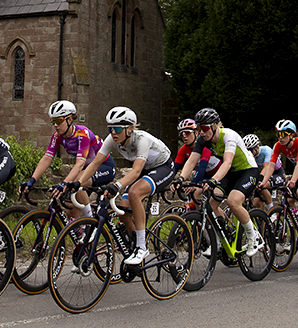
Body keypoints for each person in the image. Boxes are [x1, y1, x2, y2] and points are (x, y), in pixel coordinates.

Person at [74, 107, 175, 265]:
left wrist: (117, 185)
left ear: (129, 129)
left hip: (163, 167)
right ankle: (134, 242)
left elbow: (136, 172)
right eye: (111, 128)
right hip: (145, 170)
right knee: (123, 211)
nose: (113, 132)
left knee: (135, 192)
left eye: (118, 128)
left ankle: (142, 247)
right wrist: (78, 183)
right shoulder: (112, 139)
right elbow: (95, 164)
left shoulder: (141, 139)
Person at [177, 108, 263, 256]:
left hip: (248, 171)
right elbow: (192, 160)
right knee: (210, 203)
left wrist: (213, 180)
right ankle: (219, 239)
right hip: (231, 173)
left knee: (233, 201)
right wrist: (180, 179)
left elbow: (227, 162)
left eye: (204, 128)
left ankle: (253, 236)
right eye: (199, 128)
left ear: (215, 125)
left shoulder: (228, 135)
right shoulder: (202, 140)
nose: (202, 132)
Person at [21, 101, 116, 218]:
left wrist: (64, 183)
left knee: (75, 181)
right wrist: (32, 180)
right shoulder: (57, 136)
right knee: (71, 212)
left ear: (69, 120)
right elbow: (47, 158)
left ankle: (90, 221)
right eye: (53, 121)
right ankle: (81, 234)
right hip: (87, 169)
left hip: (104, 166)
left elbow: (79, 164)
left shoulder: (82, 134)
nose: (55, 125)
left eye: (59, 121)